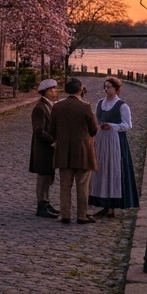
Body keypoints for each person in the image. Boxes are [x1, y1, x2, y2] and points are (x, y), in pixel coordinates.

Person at [48, 77, 98, 224]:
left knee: (65, 185)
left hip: (63, 150)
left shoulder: (57, 107)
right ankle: (82, 215)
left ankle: (65, 214)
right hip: (82, 150)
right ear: (79, 90)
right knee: (82, 185)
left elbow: (51, 130)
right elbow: (93, 130)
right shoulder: (85, 106)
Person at [89, 76, 139, 218]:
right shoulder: (100, 103)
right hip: (101, 140)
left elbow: (127, 125)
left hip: (115, 141)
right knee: (102, 170)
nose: (106, 89)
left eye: (109, 87)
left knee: (114, 171)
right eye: (105, 86)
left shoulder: (122, 105)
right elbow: (95, 119)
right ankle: (103, 203)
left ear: (116, 89)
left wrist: (112, 126)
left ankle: (112, 206)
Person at [30, 79, 60, 218]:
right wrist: (52, 140)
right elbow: (38, 130)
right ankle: (41, 205)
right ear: (45, 92)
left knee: (49, 176)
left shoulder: (50, 106)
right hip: (43, 148)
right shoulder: (40, 108)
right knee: (43, 177)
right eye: (52, 89)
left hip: (49, 148)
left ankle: (46, 202)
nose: (55, 91)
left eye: (55, 89)